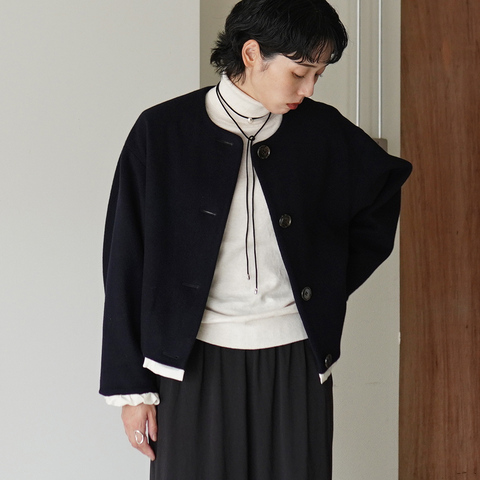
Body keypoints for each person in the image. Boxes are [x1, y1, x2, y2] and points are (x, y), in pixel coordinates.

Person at [99, 0, 412, 478]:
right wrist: (131, 389)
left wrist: (323, 281)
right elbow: (125, 258)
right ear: (251, 54)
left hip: (295, 359)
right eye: (299, 73)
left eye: (318, 75)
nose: (309, 89)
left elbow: (381, 193)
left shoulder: (322, 131)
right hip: (190, 364)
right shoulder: (161, 132)